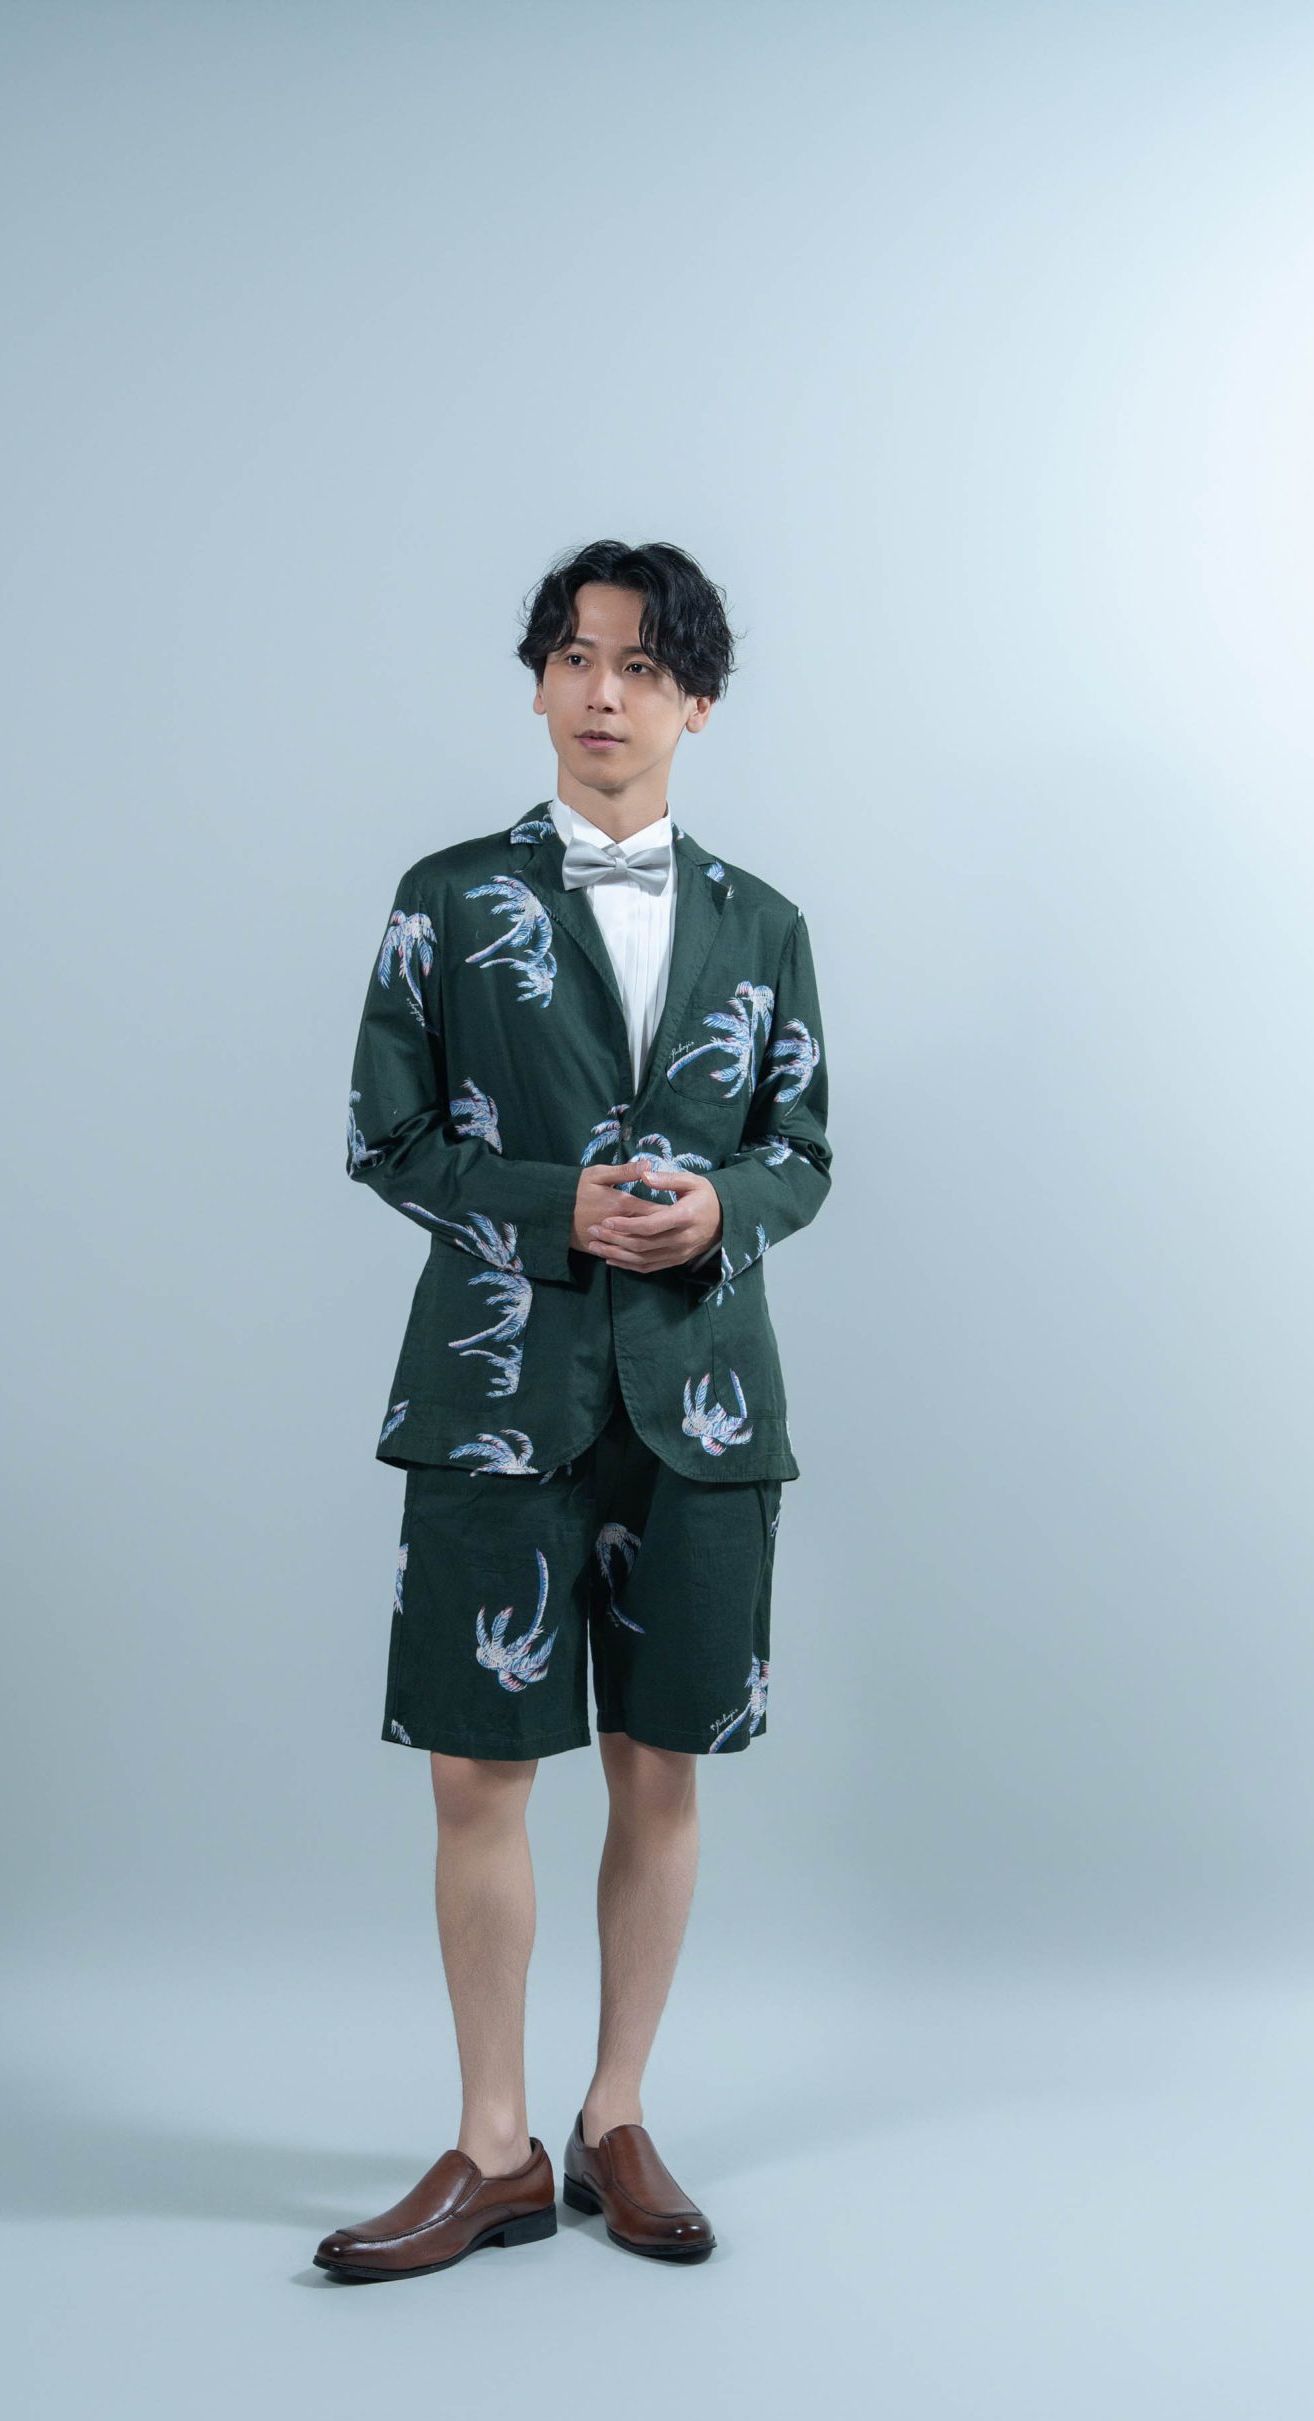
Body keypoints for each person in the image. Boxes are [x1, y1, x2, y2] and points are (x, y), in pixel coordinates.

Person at [316, 539, 832, 2281]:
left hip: (702, 1402)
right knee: (480, 1772)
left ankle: (617, 2117)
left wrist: (724, 1210)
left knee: (658, 1769)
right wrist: (558, 1207)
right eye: (574, 659)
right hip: (494, 1393)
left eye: (642, 667)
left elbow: (802, 1150)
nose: (604, 694)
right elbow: (387, 1136)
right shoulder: (449, 897)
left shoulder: (766, 924)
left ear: (699, 703)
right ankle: (493, 2147)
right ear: (540, 683)